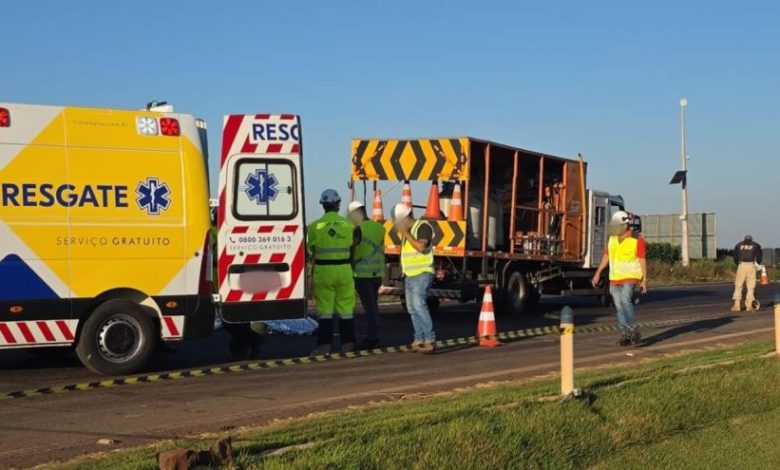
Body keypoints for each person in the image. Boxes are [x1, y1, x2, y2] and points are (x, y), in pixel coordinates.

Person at [306, 189, 359, 355]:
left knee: (325, 310)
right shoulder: (349, 224)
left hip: (323, 271)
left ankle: (324, 347)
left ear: (323, 205)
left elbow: (308, 252)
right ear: (338, 204)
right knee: (346, 309)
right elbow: (355, 244)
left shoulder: (314, 226)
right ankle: (348, 345)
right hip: (344, 270)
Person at [591, 211, 648, 346]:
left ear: (625, 225)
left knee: (625, 300)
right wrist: (598, 272)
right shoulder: (612, 239)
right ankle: (625, 335)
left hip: (631, 276)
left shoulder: (637, 239)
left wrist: (644, 279)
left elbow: (642, 260)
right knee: (619, 307)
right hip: (615, 278)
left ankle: (633, 330)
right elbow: (606, 256)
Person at [391, 203, 436, 353]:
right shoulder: (408, 232)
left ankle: (430, 339)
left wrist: (406, 234)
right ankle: (419, 338)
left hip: (422, 273)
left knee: (419, 305)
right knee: (411, 308)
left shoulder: (423, 227)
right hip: (410, 275)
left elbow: (421, 247)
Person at [347, 200, 386, 350]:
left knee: (369, 308)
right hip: (377, 274)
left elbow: (352, 249)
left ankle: (373, 339)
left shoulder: (357, 229)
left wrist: (350, 263)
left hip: (361, 274)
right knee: (373, 307)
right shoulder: (379, 227)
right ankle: (374, 335)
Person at [732, 234, 762, 312]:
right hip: (751, 265)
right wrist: (757, 264)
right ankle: (749, 305)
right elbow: (759, 256)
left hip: (741, 265)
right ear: (751, 239)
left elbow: (735, 257)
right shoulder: (756, 245)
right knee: (751, 286)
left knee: (738, 285)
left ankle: (737, 305)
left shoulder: (738, 245)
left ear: (744, 239)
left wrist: (738, 263)